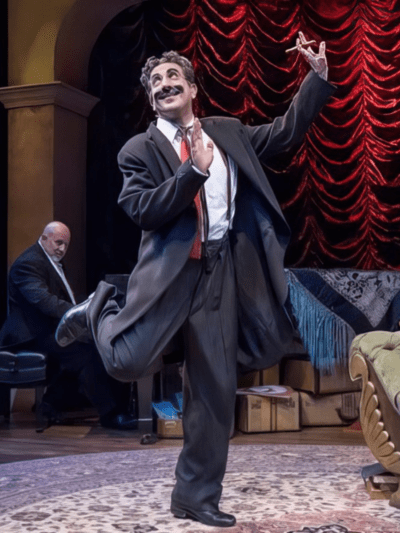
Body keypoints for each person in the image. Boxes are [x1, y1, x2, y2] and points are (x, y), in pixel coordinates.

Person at [56, 33, 336, 527]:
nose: (164, 84)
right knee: (126, 361)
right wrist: (192, 173)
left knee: (214, 389)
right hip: (170, 274)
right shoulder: (138, 150)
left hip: (219, 270)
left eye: (173, 77)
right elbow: (143, 210)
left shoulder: (226, 132)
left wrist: (316, 79)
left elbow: (284, 134)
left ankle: (195, 496)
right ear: (151, 98)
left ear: (192, 88)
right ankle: (99, 306)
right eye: (155, 81)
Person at [0, 221, 137, 430]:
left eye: (65, 244)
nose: (62, 248)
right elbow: (46, 302)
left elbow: (66, 299)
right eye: (58, 242)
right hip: (29, 336)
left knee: (100, 346)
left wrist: (92, 304)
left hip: (49, 330)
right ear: (44, 238)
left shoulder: (52, 261)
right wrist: (83, 312)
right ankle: (111, 414)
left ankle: (52, 402)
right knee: (87, 353)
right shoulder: (28, 264)